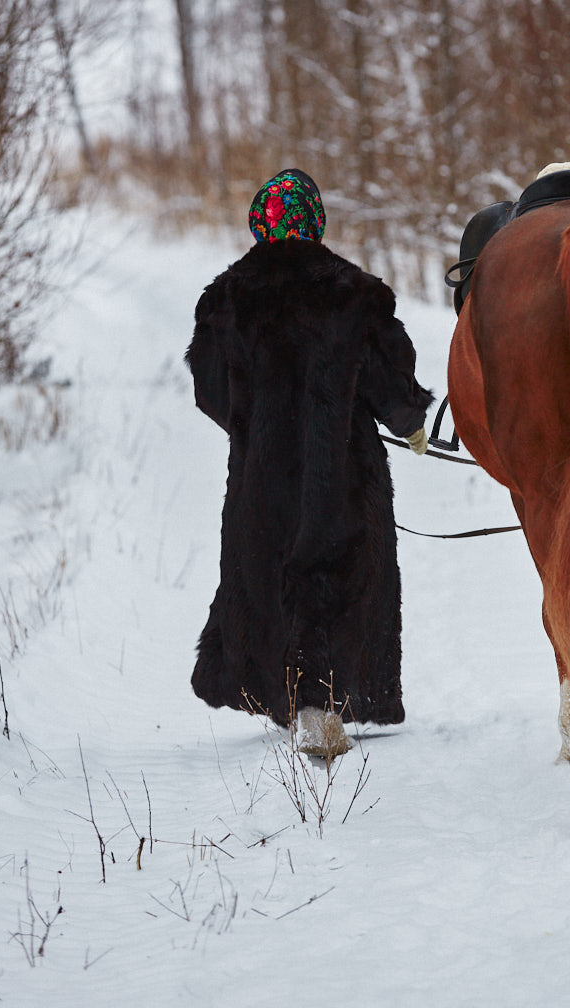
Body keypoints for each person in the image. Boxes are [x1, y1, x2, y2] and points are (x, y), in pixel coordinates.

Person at [186, 169, 432, 755]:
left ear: (259, 221)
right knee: (339, 571)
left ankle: (290, 701)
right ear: (315, 221)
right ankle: (323, 707)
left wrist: (253, 425)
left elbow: (207, 390)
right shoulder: (352, 291)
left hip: (260, 479)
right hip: (343, 472)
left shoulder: (226, 297)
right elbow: (388, 376)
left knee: (266, 572)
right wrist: (411, 421)